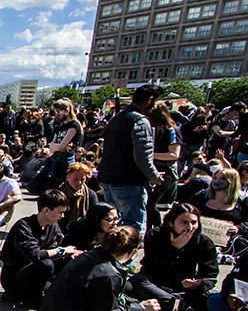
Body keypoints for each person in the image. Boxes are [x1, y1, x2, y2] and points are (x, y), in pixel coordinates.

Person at [37, 226, 218, 311]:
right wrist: (141, 309)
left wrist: (131, 304)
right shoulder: (106, 273)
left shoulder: (96, 256)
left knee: (131, 289)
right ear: (131, 252)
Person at [131, 203, 219, 311]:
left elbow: (210, 275)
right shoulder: (155, 235)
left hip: (184, 287)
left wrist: (198, 284)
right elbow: (152, 266)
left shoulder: (204, 242)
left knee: (214, 298)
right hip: (157, 282)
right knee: (136, 281)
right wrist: (174, 248)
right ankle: (177, 304)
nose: (190, 227)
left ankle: (176, 303)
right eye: (184, 223)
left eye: (193, 223)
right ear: (171, 223)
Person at [97, 84, 163, 231]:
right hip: (129, 181)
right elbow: (142, 156)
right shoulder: (139, 121)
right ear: (150, 100)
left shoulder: (116, 118)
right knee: (131, 228)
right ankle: (126, 254)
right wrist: (153, 176)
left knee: (113, 225)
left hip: (110, 178)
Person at [0, 189, 74, 304]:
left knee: (62, 291)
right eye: (60, 212)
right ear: (46, 210)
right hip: (14, 278)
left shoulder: (52, 226)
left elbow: (62, 243)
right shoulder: (23, 227)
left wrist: (72, 252)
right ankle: (33, 297)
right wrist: (61, 251)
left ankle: (36, 293)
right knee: (46, 263)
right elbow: (35, 255)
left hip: (36, 276)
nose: (63, 216)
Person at [26, 98, 83, 195]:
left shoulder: (74, 125)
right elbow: (52, 145)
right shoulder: (59, 126)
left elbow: (60, 147)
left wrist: (57, 146)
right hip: (54, 160)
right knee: (32, 185)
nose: (57, 117)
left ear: (67, 111)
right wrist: (56, 146)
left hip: (66, 162)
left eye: (59, 114)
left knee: (59, 189)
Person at [57, 161, 99, 234]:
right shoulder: (58, 194)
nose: (79, 182)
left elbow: (93, 217)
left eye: (82, 179)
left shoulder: (90, 195)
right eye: (75, 179)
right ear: (67, 177)